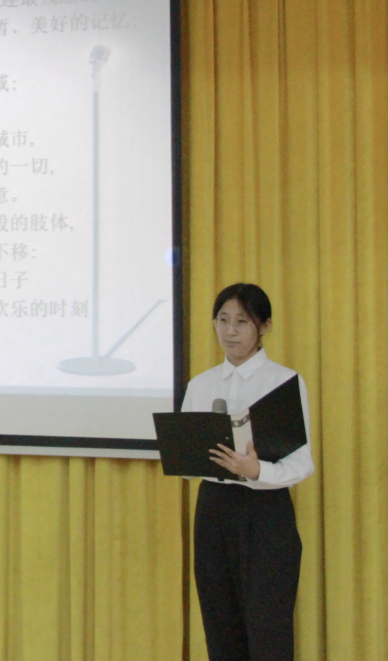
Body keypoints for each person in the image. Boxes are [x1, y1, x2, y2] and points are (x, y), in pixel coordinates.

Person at [181, 283, 313, 661]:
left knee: (268, 627)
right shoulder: (201, 384)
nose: (230, 331)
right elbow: (186, 462)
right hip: (214, 508)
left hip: (266, 511)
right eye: (222, 320)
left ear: (264, 326)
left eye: (242, 321)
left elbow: (302, 463)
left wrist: (257, 471)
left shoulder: (283, 382)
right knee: (220, 624)